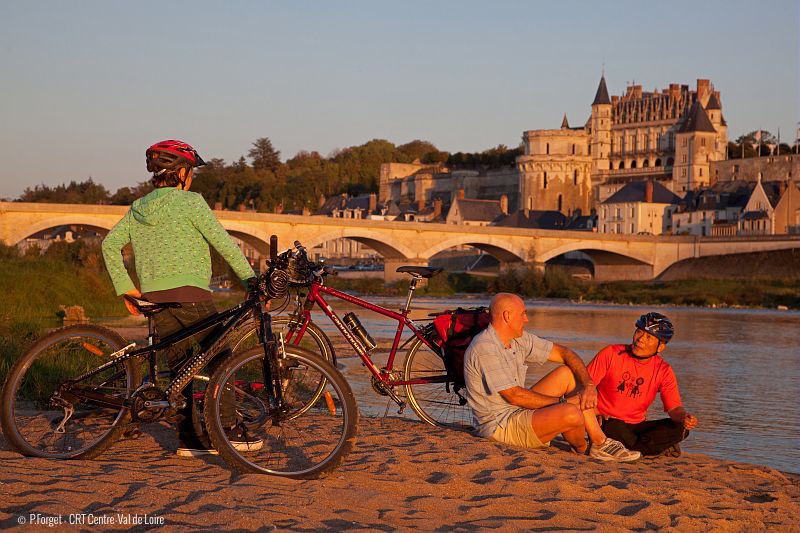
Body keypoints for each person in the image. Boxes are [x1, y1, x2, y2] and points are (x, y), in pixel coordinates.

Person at [102, 139, 258, 457]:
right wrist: (251, 281)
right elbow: (224, 243)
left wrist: (126, 287)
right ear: (182, 172)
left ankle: (190, 439)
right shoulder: (190, 203)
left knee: (182, 368)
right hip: (191, 294)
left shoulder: (138, 209)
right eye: (192, 173)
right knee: (221, 360)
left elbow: (109, 245)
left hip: (155, 297)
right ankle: (227, 431)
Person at [463, 293, 641, 462]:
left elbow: (565, 353)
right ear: (507, 316)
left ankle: (598, 442)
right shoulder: (485, 347)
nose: (526, 319)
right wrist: (566, 403)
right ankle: (586, 447)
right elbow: (514, 396)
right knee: (572, 414)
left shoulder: (518, 339)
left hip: (517, 410)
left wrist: (588, 385)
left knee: (567, 374)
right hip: (500, 425)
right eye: (523, 314)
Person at [587, 312, 698, 457]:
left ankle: (635, 449)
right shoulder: (611, 353)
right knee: (614, 429)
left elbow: (674, 408)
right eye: (639, 332)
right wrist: (594, 412)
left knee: (680, 428)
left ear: (660, 347)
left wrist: (684, 417)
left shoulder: (663, 370)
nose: (640, 339)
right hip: (608, 421)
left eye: (649, 337)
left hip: (638, 426)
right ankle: (652, 448)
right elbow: (583, 386)